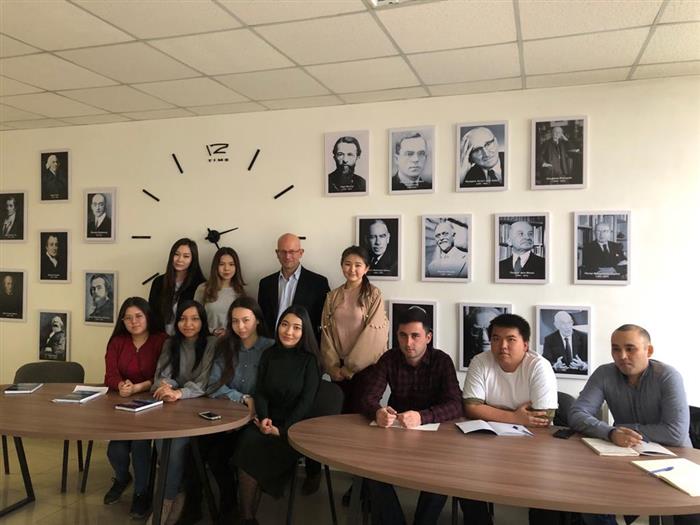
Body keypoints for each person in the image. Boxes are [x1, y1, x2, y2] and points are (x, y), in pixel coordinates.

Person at [569, 324, 698, 525]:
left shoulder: (667, 376)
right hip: (625, 458)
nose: (622, 356)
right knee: (585, 492)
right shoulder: (604, 374)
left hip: (675, 461)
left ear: (649, 350)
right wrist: (611, 432)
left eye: (630, 349)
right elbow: (577, 414)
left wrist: (624, 428)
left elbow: (674, 433)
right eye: (615, 349)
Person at [359, 306, 462, 525]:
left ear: (428, 337)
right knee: (371, 470)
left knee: (441, 475)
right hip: (397, 435)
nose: (408, 343)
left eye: (415, 336)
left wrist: (423, 417)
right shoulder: (389, 358)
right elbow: (367, 397)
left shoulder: (442, 361)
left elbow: (456, 404)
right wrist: (377, 411)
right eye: (403, 335)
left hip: (435, 438)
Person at [460, 313, 559, 525]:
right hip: (487, 444)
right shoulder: (480, 361)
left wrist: (489, 408)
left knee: (546, 490)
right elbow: (471, 407)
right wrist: (515, 416)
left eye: (511, 339)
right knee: (465, 482)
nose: (502, 346)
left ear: (525, 344)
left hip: (532, 447)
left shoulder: (539, 366)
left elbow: (543, 418)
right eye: (496, 339)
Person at [231, 305, 321, 525]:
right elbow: (261, 391)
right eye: (284, 325)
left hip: (293, 428)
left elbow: (306, 403)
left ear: (304, 332)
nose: (289, 332)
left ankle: (247, 514)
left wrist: (282, 429)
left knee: (260, 453)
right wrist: (264, 419)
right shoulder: (269, 354)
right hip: (266, 421)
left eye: (296, 327)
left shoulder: (310, 361)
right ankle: (247, 518)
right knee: (247, 444)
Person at [198, 297, 274, 521]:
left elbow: (272, 388)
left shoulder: (270, 348)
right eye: (235, 321)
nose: (240, 326)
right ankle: (227, 498)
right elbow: (214, 385)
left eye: (246, 320)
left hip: (257, 419)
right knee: (210, 453)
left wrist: (253, 405)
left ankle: (244, 511)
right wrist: (242, 397)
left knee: (241, 453)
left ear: (257, 320)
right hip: (226, 416)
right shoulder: (225, 346)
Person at [152, 300, 217, 524]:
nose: (188, 324)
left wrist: (180, 392)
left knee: (175, 447)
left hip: (198, 407)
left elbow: (204, 382)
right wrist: (168, 388)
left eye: (194, 319)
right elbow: (161, 376)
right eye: (182, 319)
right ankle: (175, 493)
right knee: (162, 444)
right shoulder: (171, 343)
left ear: (203, 321)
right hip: (172, 405)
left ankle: (166, 502)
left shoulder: (211, 343)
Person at [102, 297, 167, 519]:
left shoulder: (161, 340)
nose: (134, 321)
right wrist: (120, 385)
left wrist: (140, 387)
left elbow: (164, 375)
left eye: (138, 316)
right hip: (122, 404)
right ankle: (122, 478)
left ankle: (141, 493)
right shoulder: (117, 341)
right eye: (128, 318)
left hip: (154, 403)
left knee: (140, 446)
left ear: (148, 317)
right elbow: (110, 374)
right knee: (116, 450)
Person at [320, 246, 388, 413]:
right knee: (339, 414)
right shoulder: (332, 296)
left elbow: (375, 335)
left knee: (360, 416)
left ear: (366, 268)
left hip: (366, 368)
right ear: (341, 265)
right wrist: (332, 367)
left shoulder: (374, 295)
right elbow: (326, 332)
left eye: (358, 265)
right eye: (347, 264)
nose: (352, 269)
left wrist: (351, 367)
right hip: (339, 370)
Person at [149, 238, 206, 335]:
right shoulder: (159, 282)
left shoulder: (200, 285)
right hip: (160, 337)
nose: (180, 259)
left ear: (193, 259)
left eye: (186, 256)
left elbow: (202, 317)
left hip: (187, 338)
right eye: (176, 254)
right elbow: (151, 312)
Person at [194, 246, 246, 336]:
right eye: (222, 264)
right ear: (216, 266)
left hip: (233, 340)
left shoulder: (241, 292)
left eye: (231, 264)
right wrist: (212, 331)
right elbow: (194, 318)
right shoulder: (203, 289)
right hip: (208, 339)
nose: (226, 268)